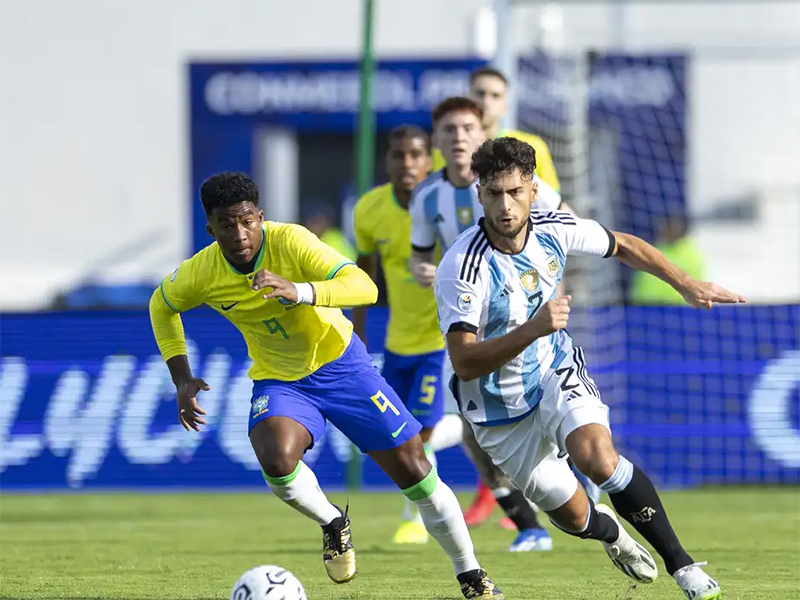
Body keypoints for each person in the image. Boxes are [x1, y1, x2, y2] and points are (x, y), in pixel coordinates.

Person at [149, 172, 504, 599]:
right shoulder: (202, 271)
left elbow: (365, 287)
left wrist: (298, 290)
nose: (240, 234)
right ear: (211, 229)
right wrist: (182, 378)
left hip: (343, 366)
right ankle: (333, 522)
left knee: (416, 470)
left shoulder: (292, 241)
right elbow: (161, 305)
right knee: (276, 460)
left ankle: (471, 574)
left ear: (261, 216)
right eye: (226, 224)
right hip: (281, 379)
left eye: (247, 221)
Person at [435, 137, 743, 599]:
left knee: (598, 458)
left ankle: (684, 568)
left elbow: (624, 245)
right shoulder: (462, 265)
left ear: (533, 191)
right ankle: (615, 537)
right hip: (497, 410)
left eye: (515, 192)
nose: (505, 205)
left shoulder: (555, 228)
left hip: (552, 371)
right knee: (575, 518)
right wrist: (534, 328)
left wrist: (686, 283)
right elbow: (464, 360)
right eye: (494, 193)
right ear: (478, 192)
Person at [410, 96, 562, 552]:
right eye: (448, 131)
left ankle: (585, 482)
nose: (458, 138)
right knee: (474, 426)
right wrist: (424, 271)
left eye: (467, 129)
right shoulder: (428, 196)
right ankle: (530, 525)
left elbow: (562, 234)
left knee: (551, 416)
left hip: (526, 321)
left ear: (481, 134)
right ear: (436, 141)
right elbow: (421, 255)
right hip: (463, 328)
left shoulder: (524, 187)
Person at [352, 125, 452, 545]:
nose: (407, 163)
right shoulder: (369, 210)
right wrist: (356, 337)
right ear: (387, 161)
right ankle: (463, 429)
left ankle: (417, 519)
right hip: (397, 344)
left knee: (417, 435)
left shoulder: (445, 203)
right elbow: (360, 278)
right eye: (398, 155)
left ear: (430, 160)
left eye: (416, 155)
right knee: (390, 436)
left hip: (441, 340)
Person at [431, 66, 560, 194]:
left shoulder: (533, 147)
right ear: (467, 99)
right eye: (480, 93)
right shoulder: (443, 149)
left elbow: (554, 205)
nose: (486, 102)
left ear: (505, 106)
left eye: (495, 96)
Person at [631, 213, 706, 305]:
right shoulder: (654, 249)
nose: (665, 230)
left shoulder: (689, 255)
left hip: (677, 308)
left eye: (671, 227)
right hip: (646, 306)